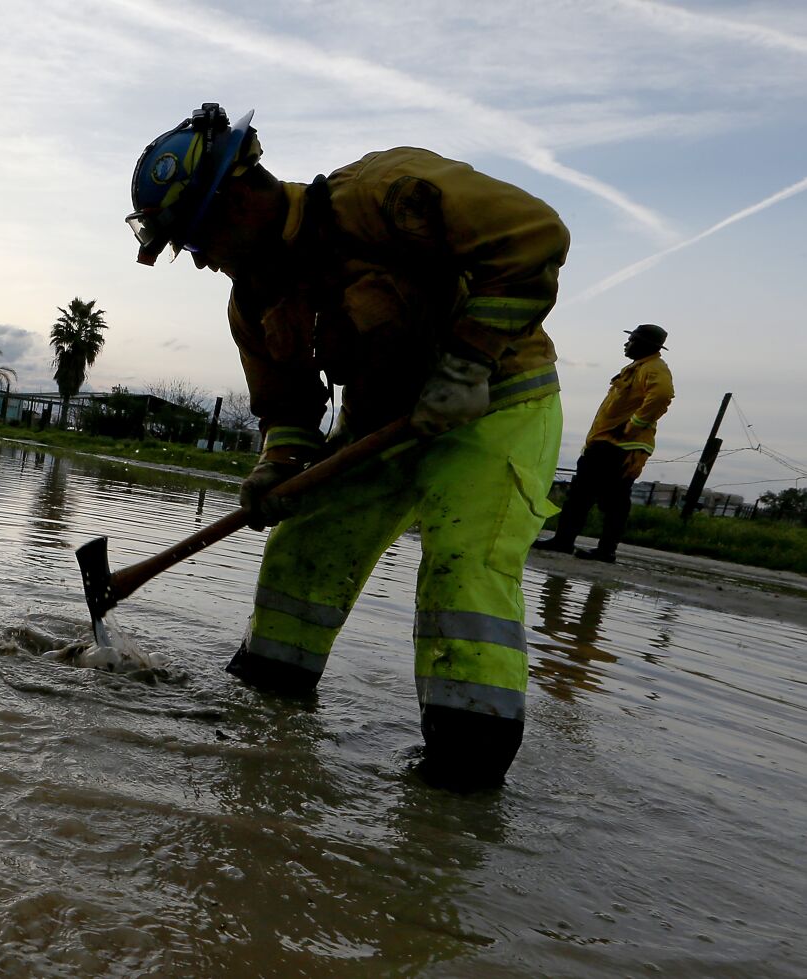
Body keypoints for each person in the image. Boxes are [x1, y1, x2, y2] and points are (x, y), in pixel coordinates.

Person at [126, 104, 570, 788]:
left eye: (196, 238)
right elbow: (291, 410)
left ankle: (460, 785)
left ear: (240, 198)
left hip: (496, 404)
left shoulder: (385, 193)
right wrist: (276, 467)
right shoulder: (253, 302)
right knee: (300, 553)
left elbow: (536, 237)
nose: (202, 261)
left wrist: (469, 362)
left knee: (463, 573)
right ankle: (265, 726)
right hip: (381, 426)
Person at [533, 324, 674, 562]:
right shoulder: (640, 368)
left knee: (606, 500)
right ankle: (569, 542)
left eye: (632, 340)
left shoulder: (653, 369)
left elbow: (661, 396)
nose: (626, 344)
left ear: (645, 345)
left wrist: (634, 425)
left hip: (618, 446)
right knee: (585, 496)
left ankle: (598, 549)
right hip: (606, 443)